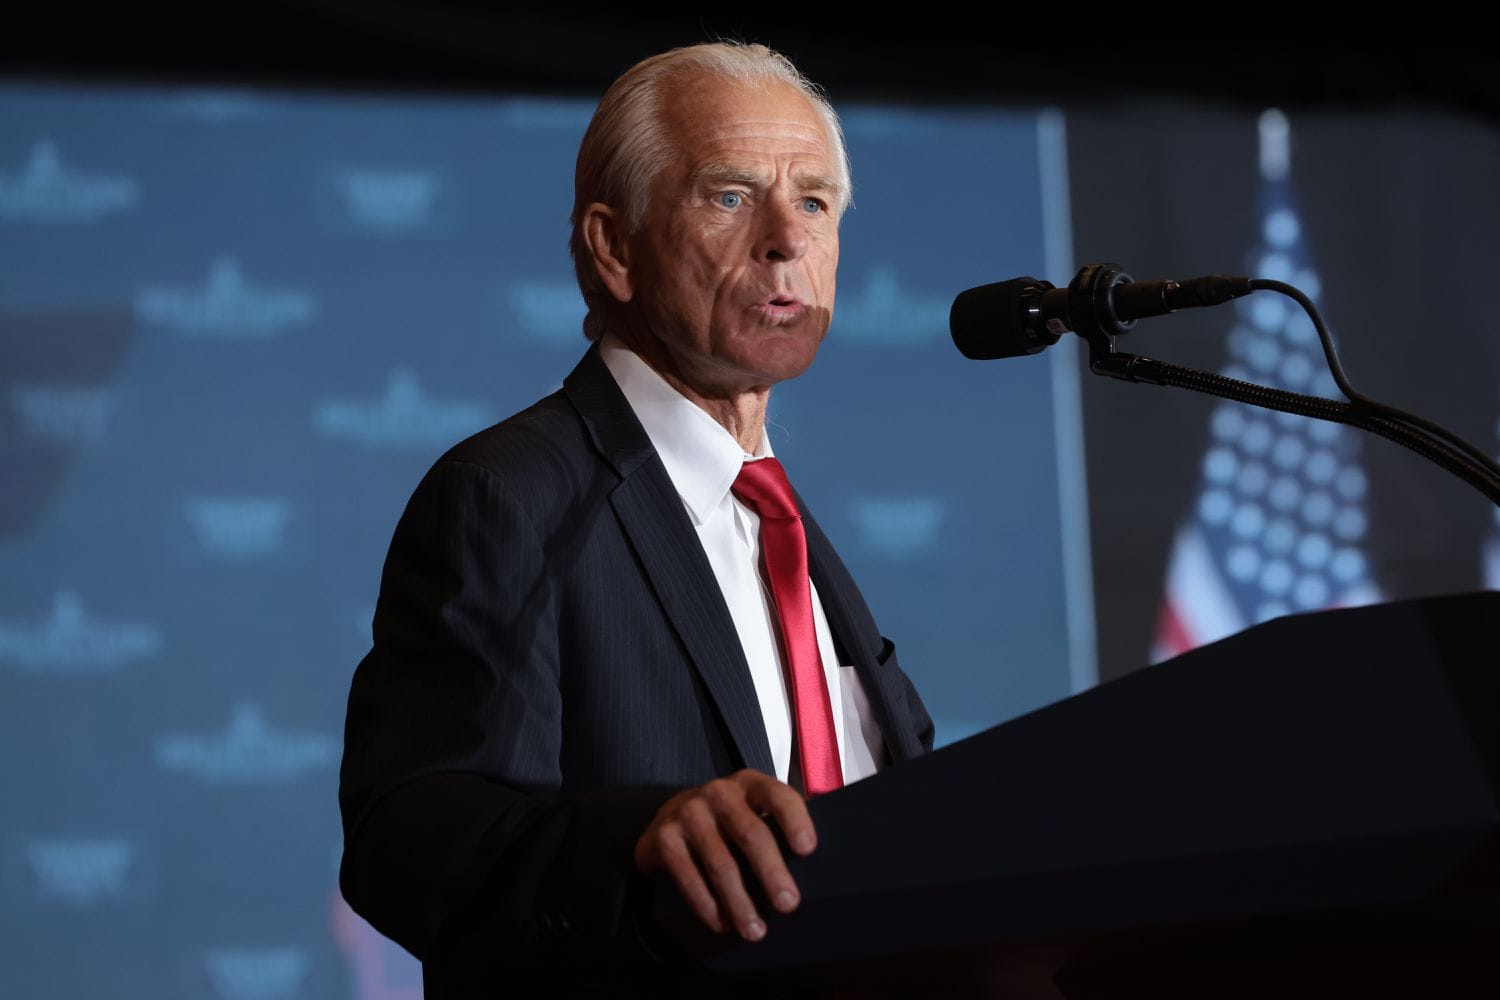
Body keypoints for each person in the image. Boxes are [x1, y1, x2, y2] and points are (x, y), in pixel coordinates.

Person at [338, 41, 934, 997]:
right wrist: (639, 842)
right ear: (614, 247)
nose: (786, 238)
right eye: (731, 197)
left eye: (815, 202)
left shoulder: (781, 522)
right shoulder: (510, 494)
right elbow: (404, 837)